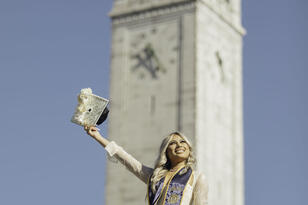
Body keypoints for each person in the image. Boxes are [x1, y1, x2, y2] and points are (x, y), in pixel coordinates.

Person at [84, 126, 208, 205]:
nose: (179, 145)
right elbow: (126, 158)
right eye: (173, 143)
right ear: (166, 151)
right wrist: (98, 137)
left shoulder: (197, 178)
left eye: (182, 142)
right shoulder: (155, 177)